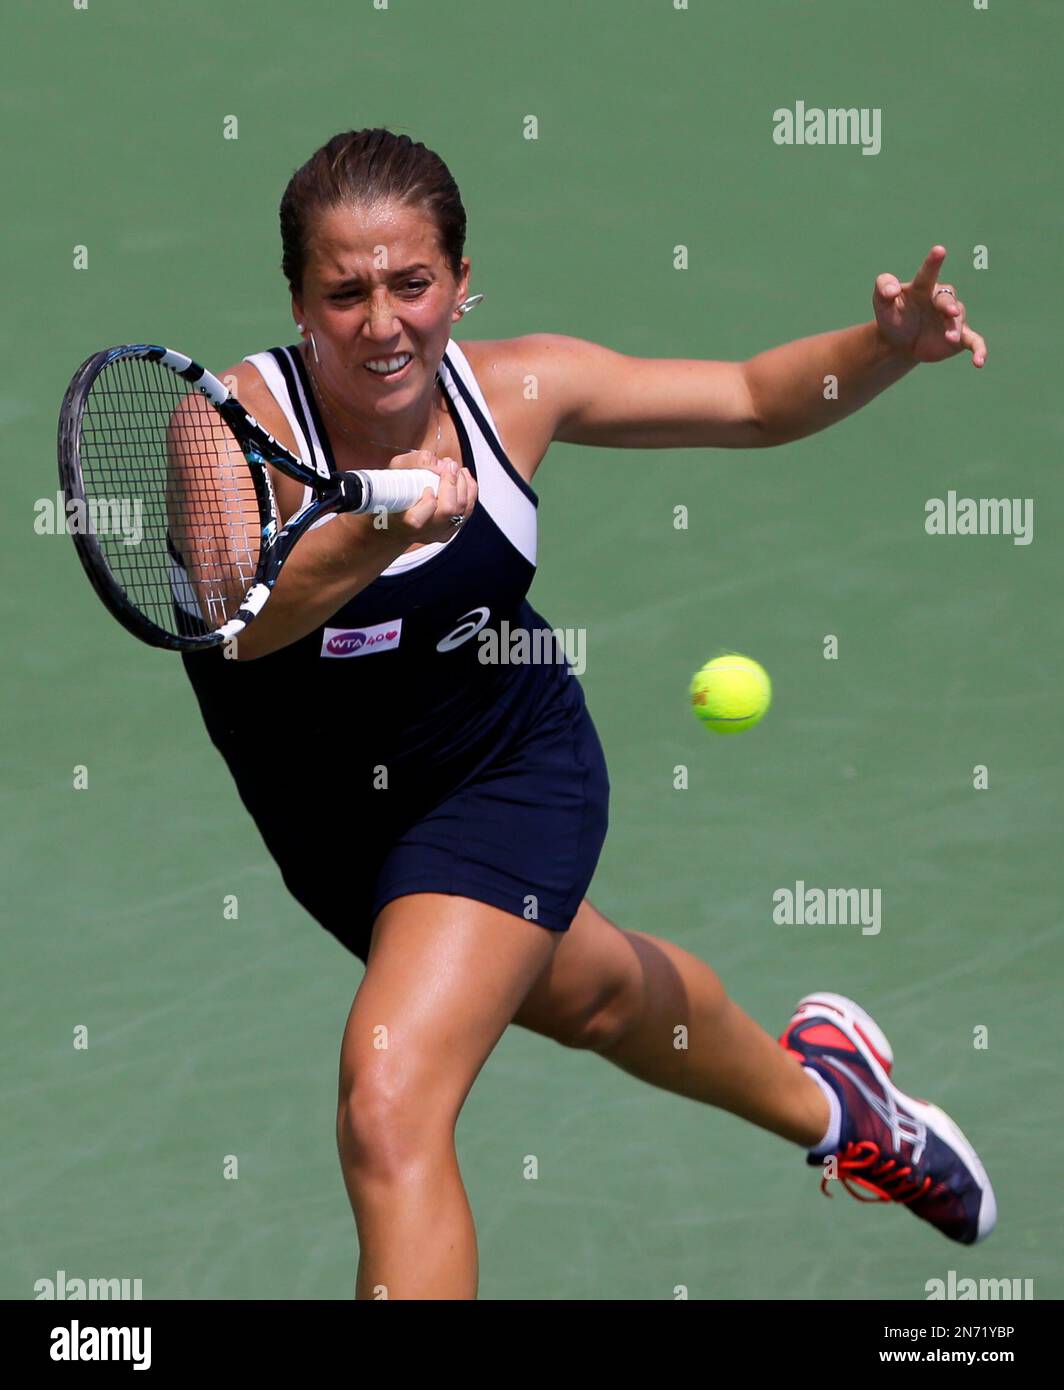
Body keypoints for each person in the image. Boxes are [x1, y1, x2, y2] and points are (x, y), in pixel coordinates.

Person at [181, 127, 995, 1299]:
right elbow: (237, 616)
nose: (382, 321)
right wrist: (382, 525)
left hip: (502, 779)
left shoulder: (518, 389)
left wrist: (881, 346)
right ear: (298, 301)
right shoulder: (225, 431)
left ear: (462, 284)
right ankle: (843, 1107)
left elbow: (753, 402)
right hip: (334, 834)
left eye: (412, 283)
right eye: (343, 291)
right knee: (606, 998)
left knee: (388, 1099)